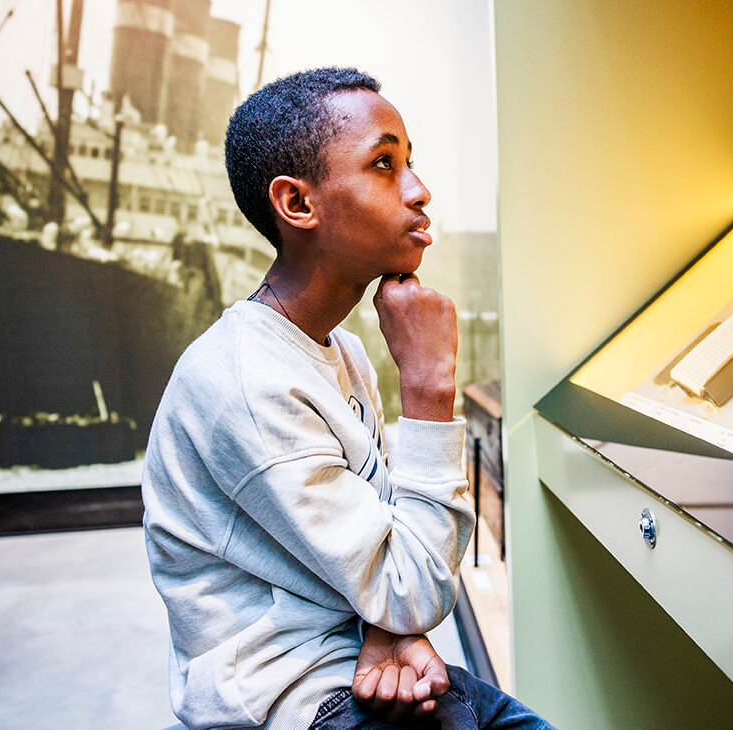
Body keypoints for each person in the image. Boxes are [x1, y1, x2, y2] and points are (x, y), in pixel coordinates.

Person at [142, 67, 552, 729]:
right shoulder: (250, 382)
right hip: (301, 702)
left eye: (410, 162)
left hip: (368, 663)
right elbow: (411, 586)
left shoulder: (344, 351)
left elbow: (391, 545)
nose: (420, 192)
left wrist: (391, 629)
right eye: (384, 164)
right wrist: (428, 386)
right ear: (297, 204)